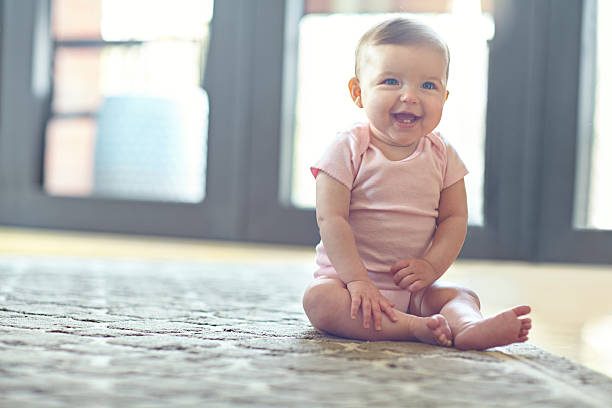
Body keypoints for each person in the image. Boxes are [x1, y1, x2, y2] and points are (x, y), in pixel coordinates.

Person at [302, 17, 532, 350]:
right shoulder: (348, 147)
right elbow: (330, 219)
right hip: (350, 284)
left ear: (444, 96)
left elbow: (454, 219)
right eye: (391, 81)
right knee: (319, 301)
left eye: (428, 86)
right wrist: (357, 281)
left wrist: (431, 266)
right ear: (358, 93)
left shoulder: (443, 154)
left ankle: (467, 326)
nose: (410, 96)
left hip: (414, 289)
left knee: (461, 295)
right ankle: (413, 328)